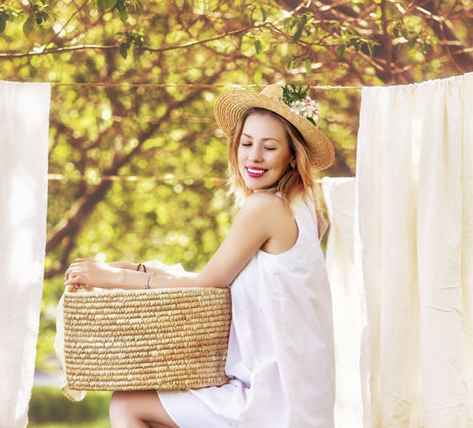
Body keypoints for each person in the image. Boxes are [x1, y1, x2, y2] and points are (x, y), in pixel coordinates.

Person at [64, 84, 336, 428]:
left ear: (292, 156)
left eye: (269, 147)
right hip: (303, 388)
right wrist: (137, 268)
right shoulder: (308, 210)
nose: (253, 156)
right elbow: (236, 275)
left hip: (273, 399)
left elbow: (208, 283)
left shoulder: (264, 207)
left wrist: (117, 278)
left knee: (128, 404)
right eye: (247, 143)